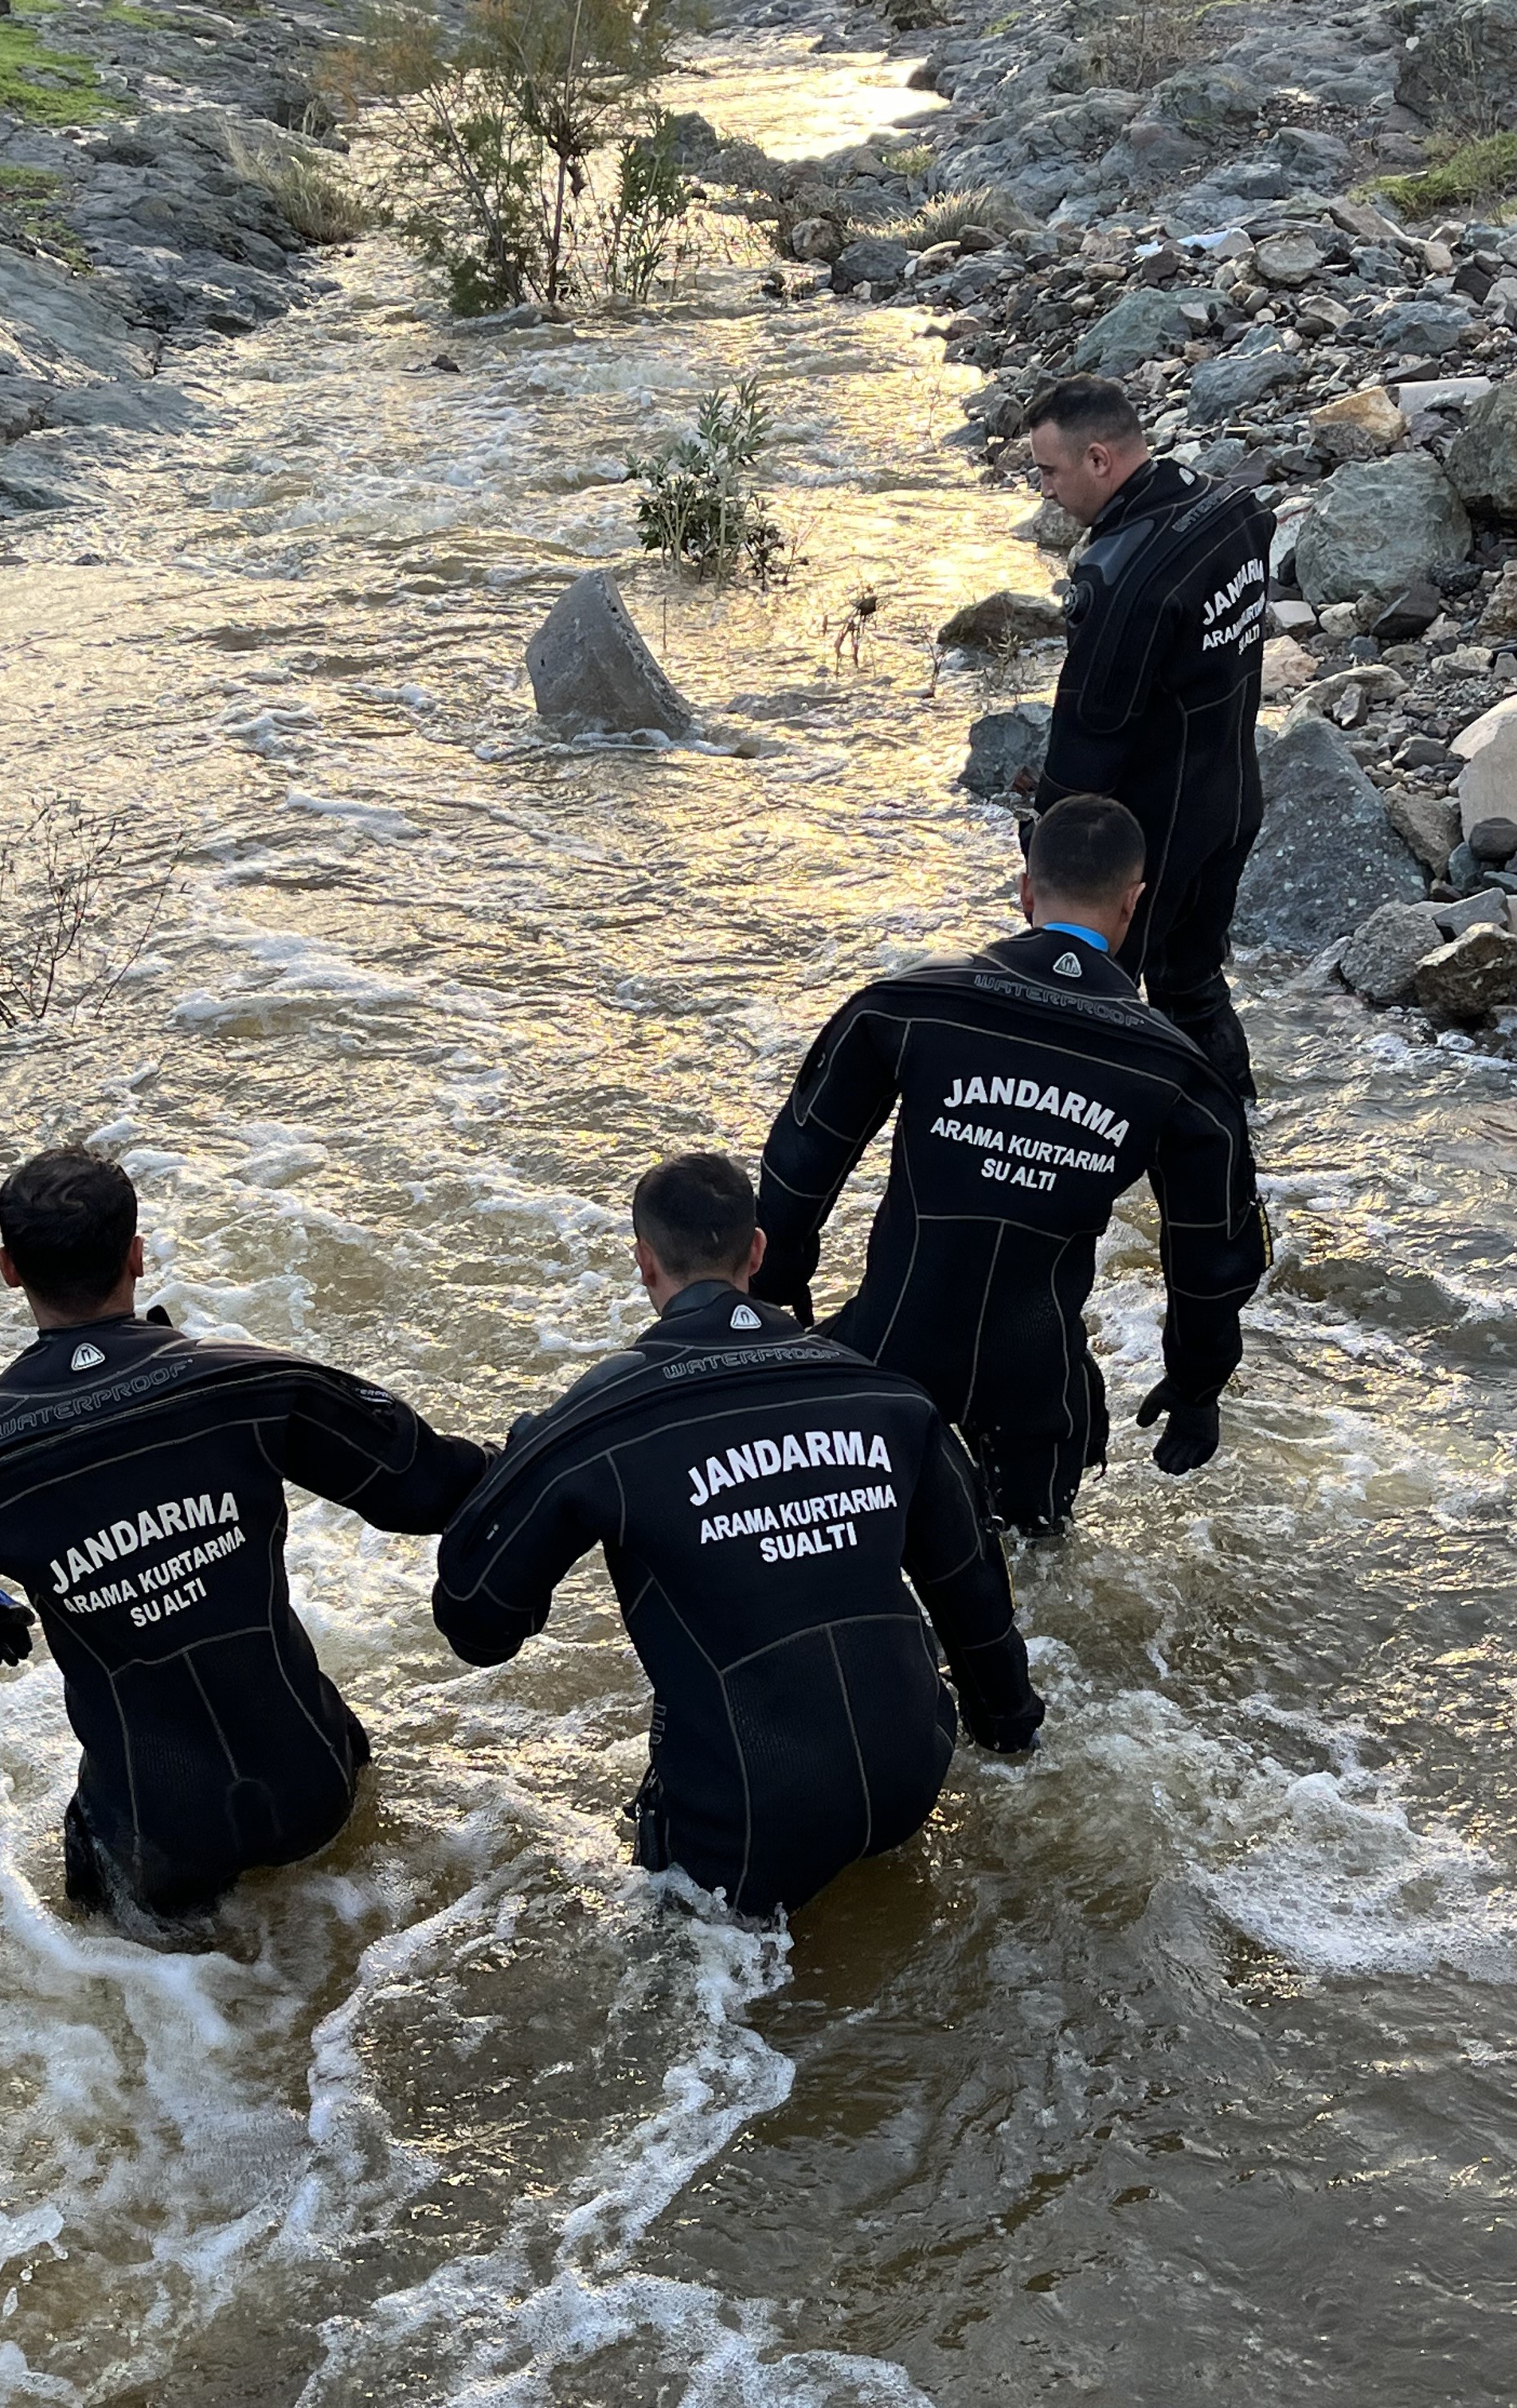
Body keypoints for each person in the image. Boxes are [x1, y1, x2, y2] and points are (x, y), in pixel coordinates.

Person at [0, 1146, 491, 1929]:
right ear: (138, 1255)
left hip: (154, 1832)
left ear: (9, 1269)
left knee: (162, 2010)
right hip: (316, 1779)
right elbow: (437, 1487)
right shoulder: (254, 1384)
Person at [431, 1153, 1043, 1920]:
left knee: (696, 1992)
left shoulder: (601, 1421)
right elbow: (973, 1591)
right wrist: (1011, 1730)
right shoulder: (885, 1393)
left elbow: (476, 1622)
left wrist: (519, 1464)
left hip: (747, 1823)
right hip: (914, 1773)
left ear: (643, 1261)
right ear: (756, 1252)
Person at [753, 795, 1265, 1535]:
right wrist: (1196, 1385)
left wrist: (773, 1302)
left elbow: (800, 1167)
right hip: (1036, 1381)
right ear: (1133, 902)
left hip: (890, 1348)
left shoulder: (908, 1006)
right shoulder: (1174, 1071)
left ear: (1025, 888)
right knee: (1034, 1592)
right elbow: (1212, 1256)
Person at [1024, 372, 1275, 1099]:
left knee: (1092, 1002)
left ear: (1099, 460)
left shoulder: (1124, 581)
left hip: (1150, 831)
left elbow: (1088, 736)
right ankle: (1233, 1148)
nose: (1044, 490)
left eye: (1049, 471)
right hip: (1231, 799)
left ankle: (1093, 1174)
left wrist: (1048, 850)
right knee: (1192, 985)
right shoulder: (1230, 507)